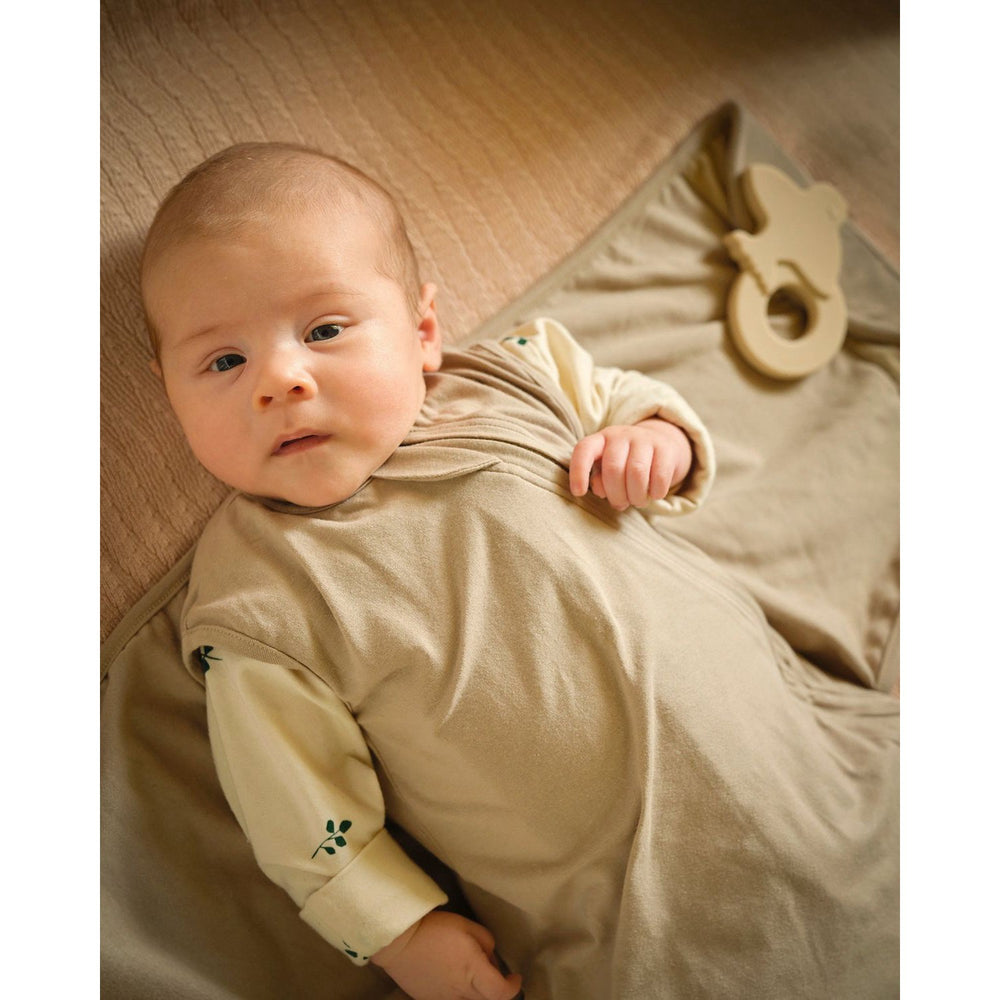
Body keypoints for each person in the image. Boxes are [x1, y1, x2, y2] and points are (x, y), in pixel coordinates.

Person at [141, 142, 898, 1000]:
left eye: (324, 331)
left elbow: (625, 398)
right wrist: (402, 934)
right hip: (645, 932)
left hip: (832, 769)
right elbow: (296, 808)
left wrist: (656, 440)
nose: (280, 379)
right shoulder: (257, 598)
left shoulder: (514, 373)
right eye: (224, 362)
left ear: (423, 333)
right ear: (171, 396)